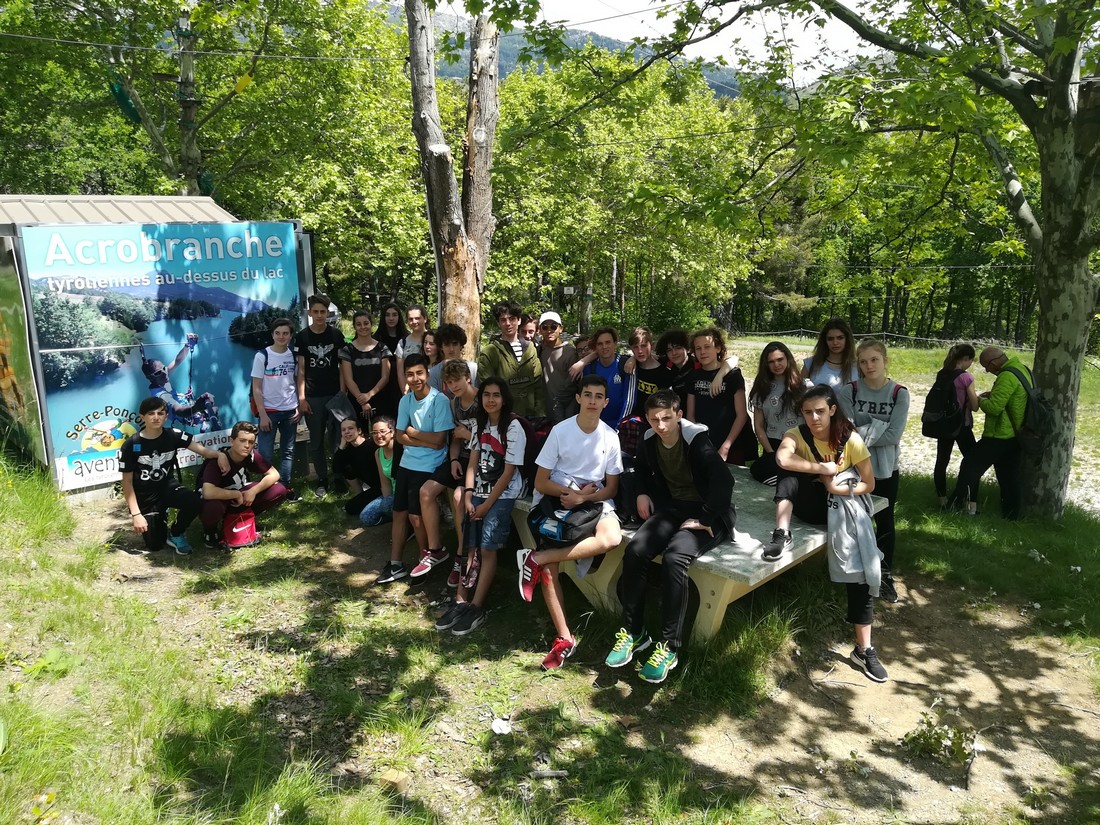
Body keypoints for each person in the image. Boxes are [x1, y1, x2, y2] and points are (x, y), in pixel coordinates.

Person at [605, 390, 735, 683]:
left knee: (675, 558)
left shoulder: (696, 440)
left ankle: (669, 646)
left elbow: (724, 480)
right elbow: (640, 468)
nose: (661, 425)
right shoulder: (650, 438)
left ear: (679, 415)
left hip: (708, 514)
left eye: (666, 418)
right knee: (636, 549)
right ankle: (634, 632)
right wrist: (640, 492)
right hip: (672, 509)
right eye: (654, 419)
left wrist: (705, 518)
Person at [772, 385, 887, 682]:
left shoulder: (851, 439)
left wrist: (837, 486)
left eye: (820, 411)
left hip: (841, 507)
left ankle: (864, 649)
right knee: (788, 471)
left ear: (833, 409)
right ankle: (781, 533)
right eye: (808, 412)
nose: (814, 418)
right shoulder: (797, 434)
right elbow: (783, 459)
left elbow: (870, 484)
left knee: (859, 566)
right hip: (811, 506)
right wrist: (820, 468)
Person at [517, 375, 624, 670]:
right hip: (559, 498)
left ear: (606, 402)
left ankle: (536, 558)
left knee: (612, 539)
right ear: (578, 398)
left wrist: (583, 499)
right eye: (586, 395)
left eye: (598, 396)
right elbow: (541, 481)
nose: (592, 401)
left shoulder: (609, 436)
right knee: (551, 573)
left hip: (591, 501)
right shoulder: (560, 432)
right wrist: (572, 494)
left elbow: (611, 489)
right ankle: (564, 638)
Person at [435, 379, 527, 636]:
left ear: (504, 399)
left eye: (496, 395)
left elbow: (508, 472)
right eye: (486, 395)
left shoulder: (513, 427)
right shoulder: (479, 424)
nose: (490, 400)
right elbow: (472, 463)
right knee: (468, 546)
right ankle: (460, 599)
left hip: (502, 494)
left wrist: (486, 504)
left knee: (487, 549)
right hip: (478, 492)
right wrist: (467, 495)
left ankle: (477, 606)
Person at [838, 339, 910, 603]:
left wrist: (862, 431)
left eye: (874, 360)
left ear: (885, 360)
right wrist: (872, 429)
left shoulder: (899, 393)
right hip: (855, 467)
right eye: (864, 361)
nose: (869, 366)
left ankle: (886, 574)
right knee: (854, 519)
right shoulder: (850, 391)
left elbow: (894, 434)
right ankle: (857, 573)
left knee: (885, 520)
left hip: (887, 468)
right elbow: (846, 431)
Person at [377, 354, 454, 584]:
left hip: (429, 465)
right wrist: (422, 439)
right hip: (407, 463)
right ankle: (395, 564)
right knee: (399, 513)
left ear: (428, 374)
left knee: (415, 516)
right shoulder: (405, 401)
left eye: (419, 373)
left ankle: (427, 559)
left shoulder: (439, 401)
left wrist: (414, 433)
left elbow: (440, 441)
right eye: (410, 374)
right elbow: (400, 436)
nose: (415, 378)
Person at [119, 396, 230, 555]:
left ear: (166, 416)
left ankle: (176, 532)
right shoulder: (131, 444)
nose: (156, 417)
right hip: (146, 496)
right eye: (151, 414)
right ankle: (158, 516)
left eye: (160, 413)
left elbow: (201, 450)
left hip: (168, 487)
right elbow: (127, 483)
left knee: (194, 501)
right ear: (142, 417)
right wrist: (136, 514)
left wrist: (219, 455)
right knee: (155, 545)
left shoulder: (173, 435)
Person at [415, 359, 479, 583]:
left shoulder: (483, 400)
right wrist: (453, 459)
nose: (454, 386)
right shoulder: (454, 404)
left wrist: (468, 436)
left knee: (459, 497)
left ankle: (462, 556)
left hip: (482, 460)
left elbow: (495, 441)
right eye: (449, 382)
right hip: (460, 458)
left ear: (468, 377)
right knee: (426, 491)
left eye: (457, 380)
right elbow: (454, 439)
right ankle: (436, 550)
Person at [948, 346, 1029, 519]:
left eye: (986, 366)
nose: (986, 370)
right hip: (1015, 436)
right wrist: (993, 394)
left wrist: (980, 400)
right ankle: (1012, 515)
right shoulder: (1022, 369)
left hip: (998, 435)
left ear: (994, 362)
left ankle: (953, 507)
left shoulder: (1006, 376)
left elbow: (994, 408)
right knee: (1009, 477)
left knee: (970, 465)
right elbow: (1015, 395)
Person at [199, 421, 289, 548]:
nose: (247, 445)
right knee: (213, 506)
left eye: (251, 442)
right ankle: (210, 531)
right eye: (242, 440)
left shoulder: (250, 455)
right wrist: (235, 494)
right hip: (222, 499)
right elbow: (208, 492)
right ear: (232, 441)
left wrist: (253, 491)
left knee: (279, 489)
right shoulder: (217, 461)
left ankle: (244, 518)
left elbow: (274, 474)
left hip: (241, 497)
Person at [295, 293, 346, 498]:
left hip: (334, 395)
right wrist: (301, 398)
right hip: (313, 397)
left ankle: (339, 477)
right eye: (315, 312)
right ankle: (322, 479)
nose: (319, 315)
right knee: (316, 442)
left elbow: (343, 366)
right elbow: (301, 370)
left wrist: (342, 393)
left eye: (322, 312)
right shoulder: (303, 337)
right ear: (309, 313)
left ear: (327, 313)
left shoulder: (336, 336)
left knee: (337, 439)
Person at [687, 327, 756, 464]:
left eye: (707, 347)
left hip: (731, 444)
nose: (702, 352)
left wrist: (726, 446)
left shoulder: (732, 375)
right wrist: (699, 442)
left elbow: (741, 415)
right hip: (704, 443)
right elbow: (690, 415)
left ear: (718, 348)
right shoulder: (693, 376)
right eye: (698, 348)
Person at [251, 317, 299, 499]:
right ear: (272, 334)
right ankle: (265, 489)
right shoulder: (262, 355)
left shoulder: (293, 356)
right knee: (265, 453)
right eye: (277, 333)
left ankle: (285, 487)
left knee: (288, 451)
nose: (281, 336)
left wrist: (298, 407)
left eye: (285, 333)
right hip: (268, 412)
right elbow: (256, 386)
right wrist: (262, 414)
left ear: (291, 335)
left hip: (290, 410)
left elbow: (296, 381)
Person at [748, 342, 806, 484]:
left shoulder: (804, 386)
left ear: (788, 359)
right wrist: (771, 452)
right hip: (773, 444)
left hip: (800, 444)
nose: (776, 365)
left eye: (780, 359)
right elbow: (759, 426)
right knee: (760, 472)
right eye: (771, 362)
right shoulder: (762, 388)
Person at [476, 300, 545, 418]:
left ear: (519, 320)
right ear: (498, 323)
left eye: (512, 318)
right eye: (503, 320)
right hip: (502, 417)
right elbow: (487, 388)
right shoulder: (490, 352)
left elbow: (538, 384)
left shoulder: (530, 349)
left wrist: (539, 414)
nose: (508, 323)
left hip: (530, 416)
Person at [933, 344, 980, 507]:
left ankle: (942, 500)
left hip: (944, 424)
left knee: (941, 462)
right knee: (973, 461)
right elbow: (974, 406)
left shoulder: (942, 374)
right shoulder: (966, 377)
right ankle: (971, 503)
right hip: (962, 424)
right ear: (966, 359)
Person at [140, 334, 220, 431]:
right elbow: (178, 410)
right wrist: (196, 408)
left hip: (185, 403)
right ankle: (207, 426)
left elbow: (177, 360)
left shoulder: (160, 378)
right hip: (187, 415)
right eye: (159, 372)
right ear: (150, 378)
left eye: (164, 368)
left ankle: (204, 422)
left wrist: (187, 346)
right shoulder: (161, 395)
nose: (165, 373)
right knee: (214, 409)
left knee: (212, 410)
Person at [339, 309, 392, 430]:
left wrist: (369, 395)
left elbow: (385, 376)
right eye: (358, 324)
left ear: (371, 324)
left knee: (381, 434)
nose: (363, 327)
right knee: (359, 437)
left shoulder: (382, 348)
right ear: (354, 327)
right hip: (356, 400)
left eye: (366, 323)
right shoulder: (347, 350)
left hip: (379, 399)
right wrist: (362, 400)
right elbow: (348, 379)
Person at [582, 327, 631, 430]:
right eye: (600, 344)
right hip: (596, 426)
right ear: (596, 347)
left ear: (615, 343)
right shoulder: (590, 368)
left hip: (620, 426)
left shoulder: (625, 365)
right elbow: (585, 399)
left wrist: (619, 426)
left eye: (608, 342)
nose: (604, 346)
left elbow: (629, 400)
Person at [537, 311, 579, 423]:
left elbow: (572, 385)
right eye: (545, 327)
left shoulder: (570, 352)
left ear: (561, 329)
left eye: (554, 326)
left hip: (565, 411)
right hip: (544, 412)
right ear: (540, 330)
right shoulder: (539, 350)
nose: (549, 330)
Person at [333, 418, 380, 517]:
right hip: (373, 487)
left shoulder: (372, 445)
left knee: (352, 508)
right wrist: (341, 446)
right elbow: (336, 469)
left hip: (383, 487)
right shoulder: (347, 450)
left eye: (350, 428)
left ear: (359, 430)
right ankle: (360, 494)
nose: (347, 432)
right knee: (346, 467)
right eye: (343, 430)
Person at [362, 416, 398, 527]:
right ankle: (393, 517)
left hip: (404, 494)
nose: (378, 436)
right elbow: (385, 482)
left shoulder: (401, 449)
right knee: (366, 517)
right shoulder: (378, 453)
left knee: (387, 505)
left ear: (392, 432)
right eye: (374, 432)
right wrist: (387, 500)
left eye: (382, 432)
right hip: (392, 495)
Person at [803, 318, 858, 388]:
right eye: (830, 339)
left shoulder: (858, 366)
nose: (835, 342)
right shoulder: (810, 364)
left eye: (840, 338)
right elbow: (799, 393)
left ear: (847, 339)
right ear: (824, 340)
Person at [374, 302, 407, 419]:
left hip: (401, 382)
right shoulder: (376, 339)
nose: (391, 318)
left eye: (394, 315)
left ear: (399, 317)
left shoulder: (406, 339)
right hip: (382, 384)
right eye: (387, 315)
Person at [429, 323, 478, 393]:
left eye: (455, 344)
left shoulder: (473, 369)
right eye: (447, 344)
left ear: (461, 345)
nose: (451, 349)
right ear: (441, 347)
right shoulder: (434, 373)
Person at [657, 328, 695, 410]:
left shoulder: (698, 364)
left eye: (678, 348)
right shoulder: (665, 362)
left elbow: (725, 362)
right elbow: (647, 358)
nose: (674, 353)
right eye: (669, 350)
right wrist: (632, 360)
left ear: (688, 348)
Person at [395, 304, 430, 392]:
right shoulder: (402, 343)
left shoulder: (434, 339)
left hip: (432, 386)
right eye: (410, 319)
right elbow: (400, 372)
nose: (414, 321)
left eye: (417, 318)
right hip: (412, 389)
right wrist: (405, 393)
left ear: (425, 318)